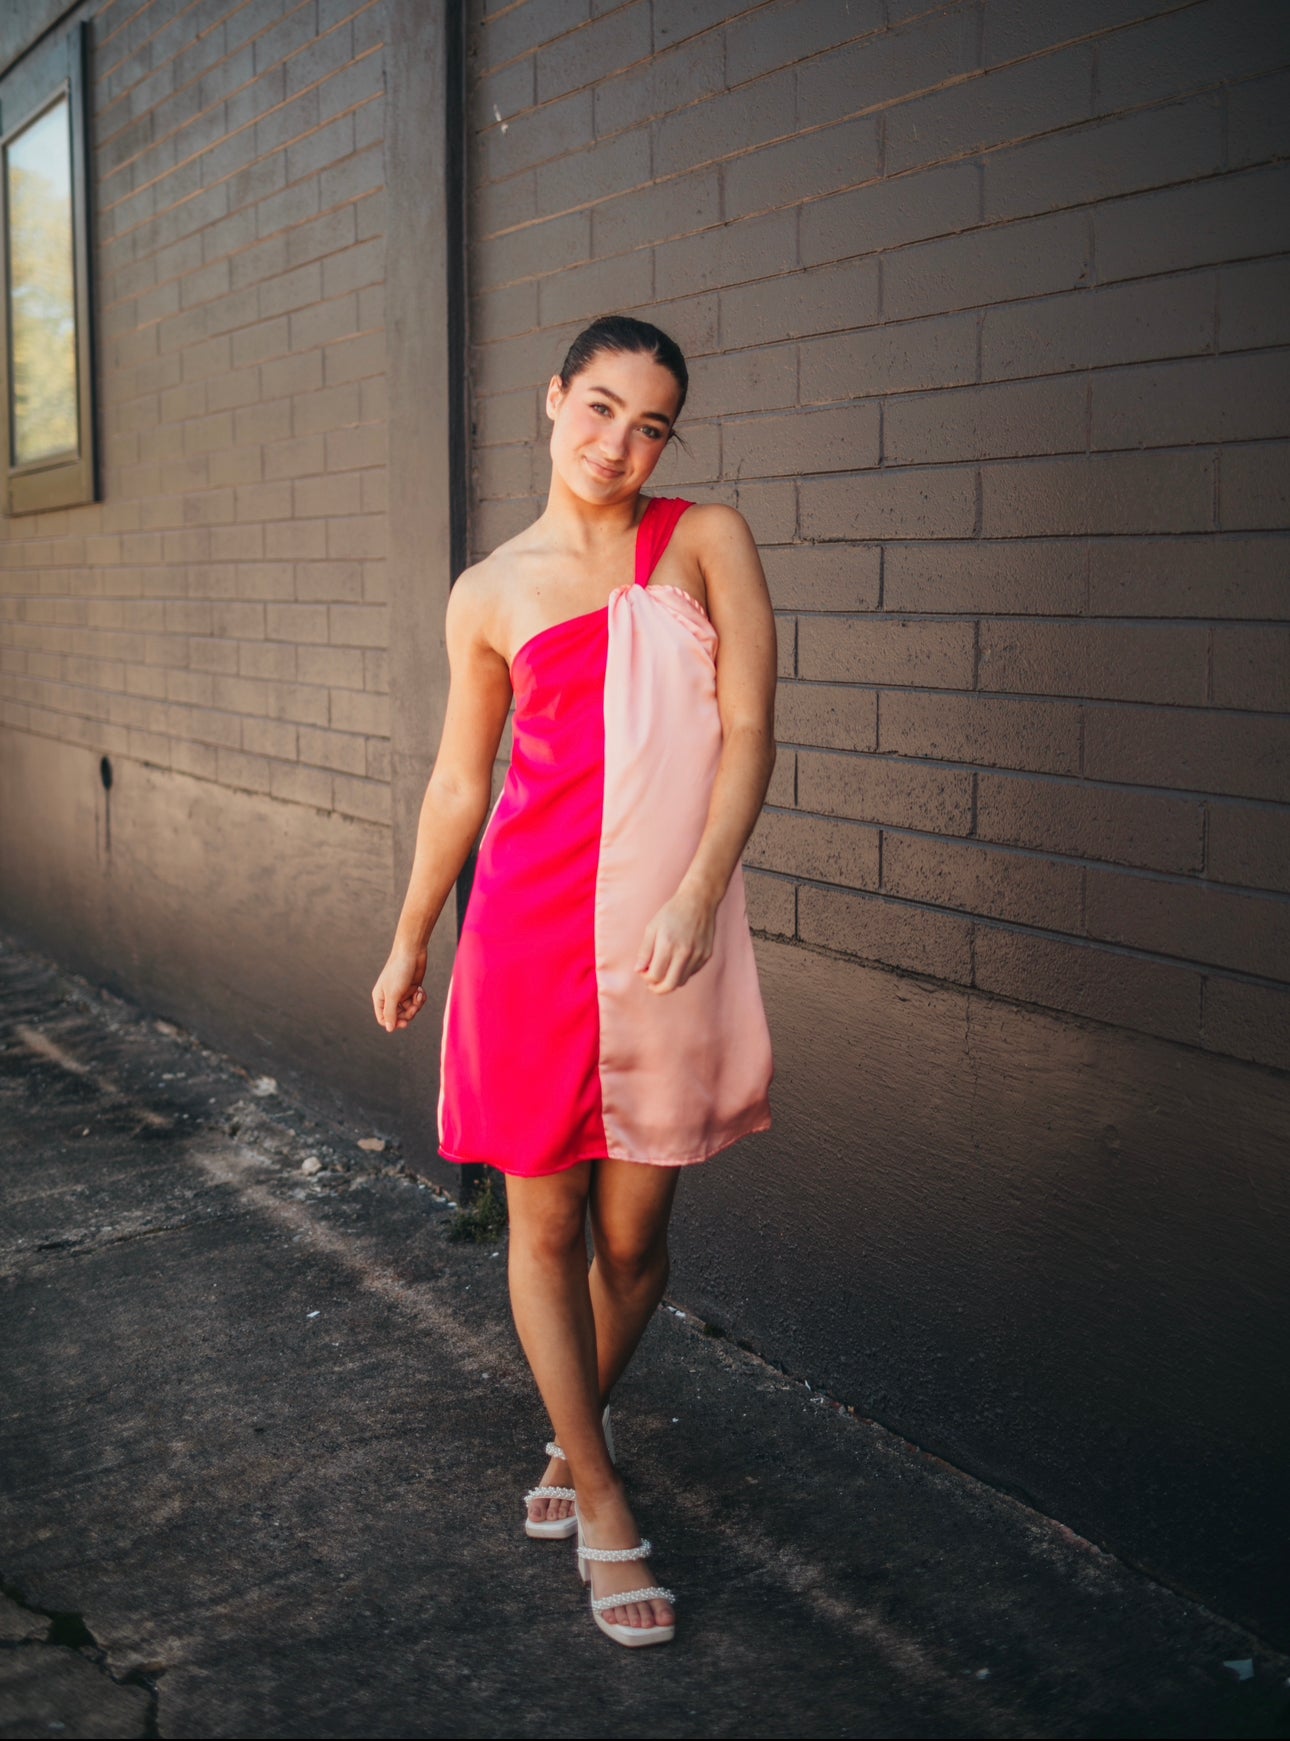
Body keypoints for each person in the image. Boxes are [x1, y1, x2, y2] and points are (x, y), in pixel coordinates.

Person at [371, 313, 776, 1648]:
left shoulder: (703, 541)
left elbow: (750, 732)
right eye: (599, 408)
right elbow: (457, 779)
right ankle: (595, 1486)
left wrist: (697, 888)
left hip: (668, 937)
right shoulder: (488, 588)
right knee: (540, 1230)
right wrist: (413, 930)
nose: (619, 444)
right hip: (528, 934)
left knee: (635, 1240)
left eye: (650, 423)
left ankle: (567, 1425)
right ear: (551, 402)